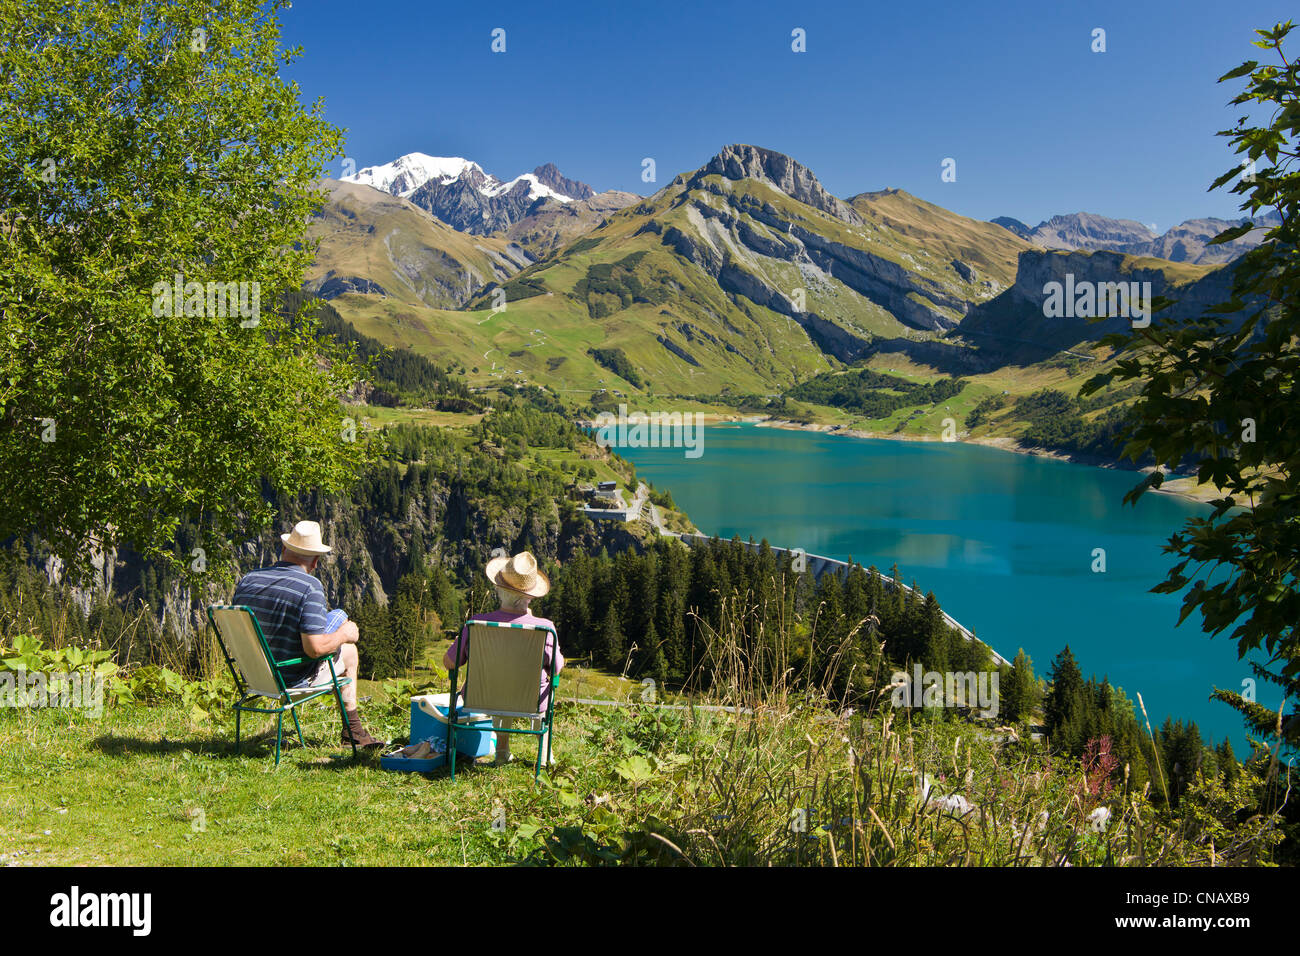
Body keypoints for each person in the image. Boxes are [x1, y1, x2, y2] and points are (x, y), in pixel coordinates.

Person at [232, 520, 384, 749]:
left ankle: (336, 621)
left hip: (253, 675)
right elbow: (314, 649)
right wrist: (344, 636)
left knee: (338, 614)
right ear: (315, 561)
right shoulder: (309, 587)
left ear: (284, 550)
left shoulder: (247, 580)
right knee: (349, 649)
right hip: (289, 678)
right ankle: (353, 732)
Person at [443, 551, 564, 766]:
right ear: (530, 595)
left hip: (483, 696)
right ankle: (544, 756)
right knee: (539, 687)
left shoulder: (475, 624)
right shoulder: (545, 629)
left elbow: (449, 662)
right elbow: (556, 668)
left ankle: (502, 752)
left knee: (500, 687)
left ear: (499, 589)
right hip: (531, 699)